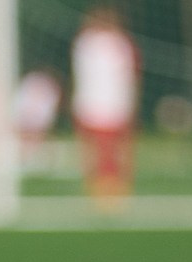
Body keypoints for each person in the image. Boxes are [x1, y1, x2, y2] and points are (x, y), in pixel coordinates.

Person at [72, 6, 140, 204]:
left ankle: (116, 188)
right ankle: (95, 187)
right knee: (93, 149)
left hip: (115, 103)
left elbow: (130, 76)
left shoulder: (120, 44)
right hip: (92, 103)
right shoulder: (86, 43)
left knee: (114, 149)